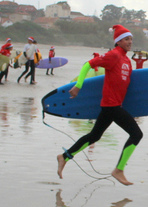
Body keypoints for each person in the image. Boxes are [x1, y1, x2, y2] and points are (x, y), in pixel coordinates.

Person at [56, 25, 143, 185]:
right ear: (118, 41)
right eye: (126, 39)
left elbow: (128, 82)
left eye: (131, 39)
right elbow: (87, 65)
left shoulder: (126, 60)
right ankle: (119, 170)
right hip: (111, 105)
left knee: (94, 136)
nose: (130, 41)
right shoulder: (113, 55)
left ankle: (64, 157)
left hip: (114, 105)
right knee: (136, 134)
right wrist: (78, 86)